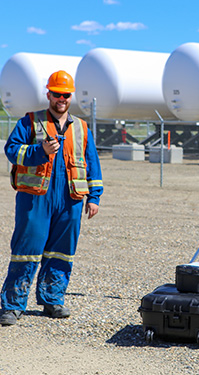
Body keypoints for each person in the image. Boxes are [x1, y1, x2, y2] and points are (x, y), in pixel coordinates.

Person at [0, 70, 103, 326]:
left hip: (70, 199)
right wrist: (40, 150)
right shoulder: (29, 122)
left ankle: (52, 300)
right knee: (26, 250)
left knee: (62, 252)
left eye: (66, 94)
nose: (61, 99)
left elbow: (92, 163)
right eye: (57, 94)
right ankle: (12, 305)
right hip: (36, 198)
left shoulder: (81, 128)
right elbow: (12, 150)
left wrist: (94, 197)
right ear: (49, 94)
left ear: (71, 96)